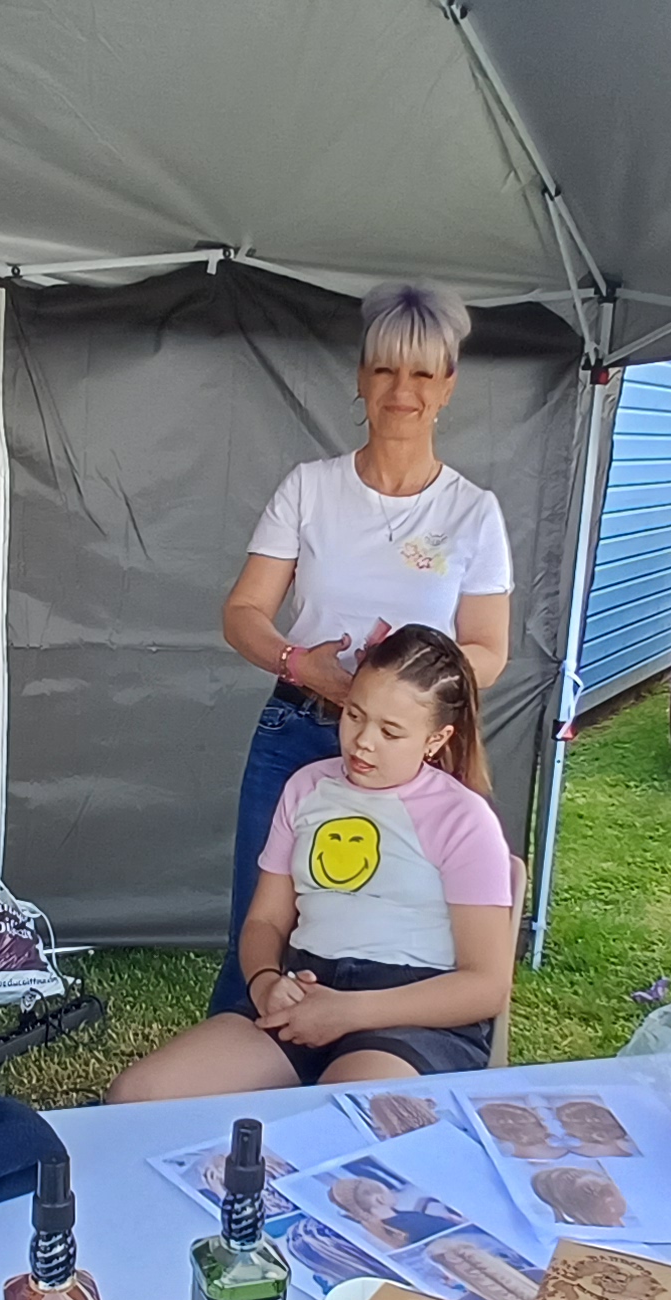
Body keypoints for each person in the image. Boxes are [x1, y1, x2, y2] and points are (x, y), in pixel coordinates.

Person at [210, 280, 513, 1015]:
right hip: (300, 728)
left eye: (422, 373)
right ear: (360, 378)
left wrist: (403, 687)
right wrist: (297, 663)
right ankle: (244, 1044)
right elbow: (243, 613)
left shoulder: (473, 512)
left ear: (448, 385)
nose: (402, 391)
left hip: (415, 754)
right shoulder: (309, 489)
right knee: (262, 922)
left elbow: (489, 649)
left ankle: (383, 1043)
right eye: (384, 370)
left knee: (400, 926)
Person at [111, 624, 512, 1100]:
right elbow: (265, 921)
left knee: (338, 1116)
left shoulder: (463, 818)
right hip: (305, 990)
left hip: (412, 1016)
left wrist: (350, 1012)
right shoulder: (306, 787)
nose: (363, 741)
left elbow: (485, 986)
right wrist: (265, 983)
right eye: (354, 715)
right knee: (138, 1097)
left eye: (390, 732)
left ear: (436, 738)